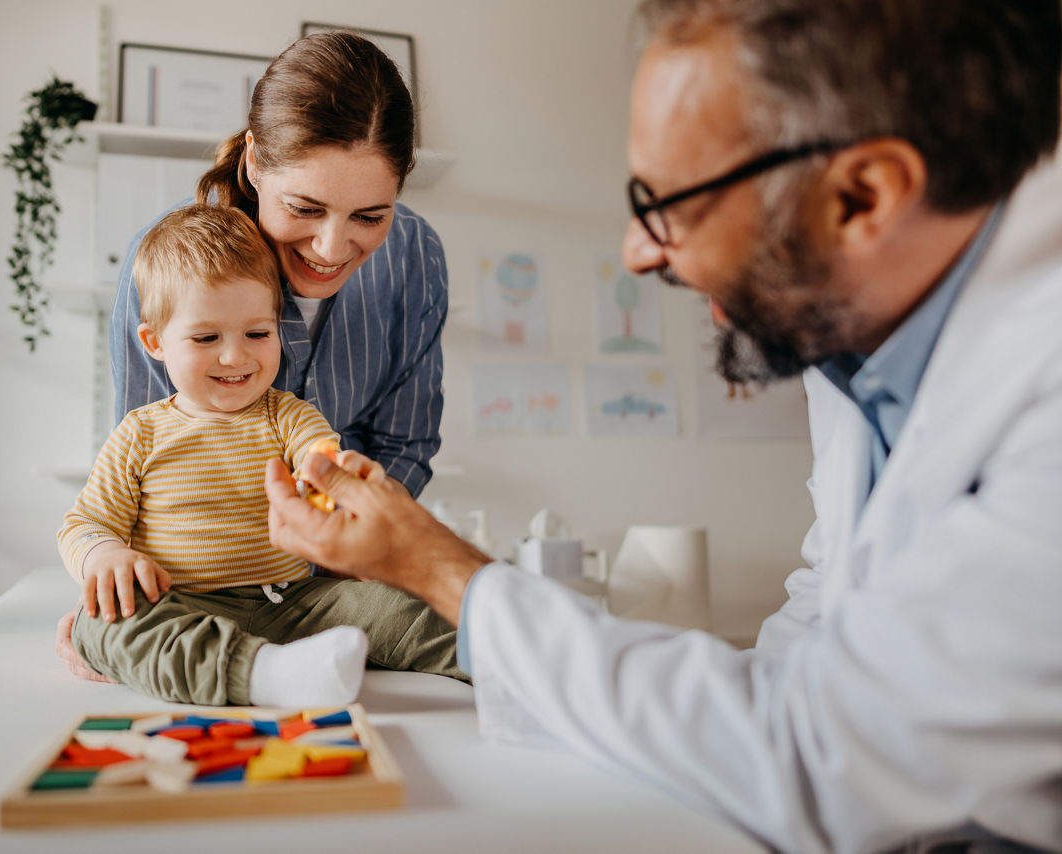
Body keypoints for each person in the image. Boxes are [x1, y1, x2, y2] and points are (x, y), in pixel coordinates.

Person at [264, 1, 1062, 851]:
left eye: (668, 202)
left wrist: (441, 567)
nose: (639, 252)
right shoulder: (855, 346)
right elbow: (822, 618)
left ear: (864, 197)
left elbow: (836, 760)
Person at [57, 30, 449, 678]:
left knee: (438, 613)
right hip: (187, 588)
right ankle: (256, 671)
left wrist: (343, 553)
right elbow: (140, 464)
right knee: (105, 627)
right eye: (305, 207)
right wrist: (113, 578)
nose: (331, 246)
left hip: (329, 579)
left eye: (369, 216)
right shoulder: (163, 269)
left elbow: (404, 446)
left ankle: (523, 667)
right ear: (254, 165)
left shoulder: (414, 256)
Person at [59, 204, 463, 708]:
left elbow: (321, 454)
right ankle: (265, 675)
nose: (236, 357)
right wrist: (105, 555)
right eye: (207, 337)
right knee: (98, 628)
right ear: (154, 341)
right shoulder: (139, 433)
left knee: (403, 609)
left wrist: (328, 487)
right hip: (181, 606)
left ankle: (500, 661)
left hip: (292, 602)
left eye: (258, 333)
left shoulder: (287, 414)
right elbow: (83, 523)